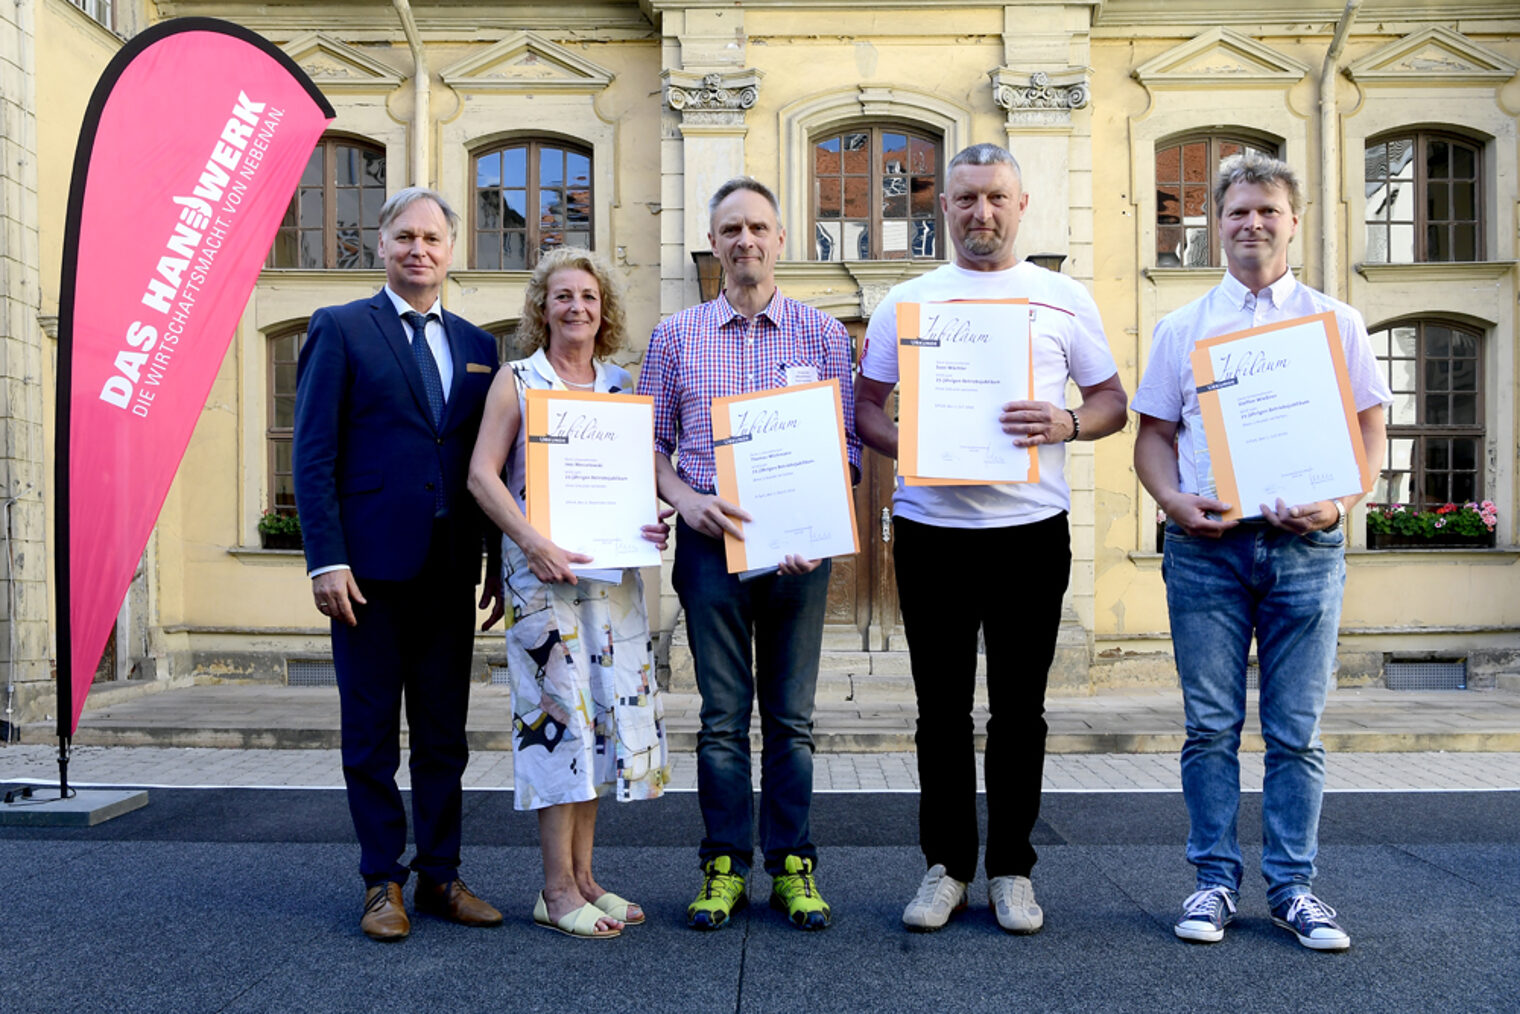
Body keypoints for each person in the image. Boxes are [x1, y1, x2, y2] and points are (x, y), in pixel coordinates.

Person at [855, 143, 1127, 934]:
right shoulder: (905, 301)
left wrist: (1070, 421)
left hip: (1030, 533)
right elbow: (866, 405)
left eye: (996, 199)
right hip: (932, 532)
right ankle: (944, 869)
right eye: (966, 200)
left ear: (1021, 204)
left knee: (1020, 711)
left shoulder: (1062, 297)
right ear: (943, 208)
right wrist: (906, 442)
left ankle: (1013, 869)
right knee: (939, 711)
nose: (981, 214)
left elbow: (1111, 399)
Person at [1132, 152, 1389, 951]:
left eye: (1267, 211)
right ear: (1217, 223)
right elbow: (1153, 440)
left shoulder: (1334, 322)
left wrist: (1343, 497)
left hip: (1306, 549)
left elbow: (1371, 430)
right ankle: (1212, 880)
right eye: (1238, 211)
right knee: (1209, 726)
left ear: (1293, 221)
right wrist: (1174, 502)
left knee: (1296, 732)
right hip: (1207, 550)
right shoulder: (1182, 329)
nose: (1252, 224)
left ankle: (1293, 887)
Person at [636, 177, 861, 932]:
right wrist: (685, 499)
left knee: (791, 719)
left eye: (759, 227)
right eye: (730, 229)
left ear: (781, 240)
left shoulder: (825, 337)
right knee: (724, 717)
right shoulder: (676, 336)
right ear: (714, 242)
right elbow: (650, 448)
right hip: (709, 551)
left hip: (799, 557)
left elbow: (848, 453)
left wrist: (815, 527)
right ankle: (723, 866)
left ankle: (793, 866)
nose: (746, 241)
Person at [294, 186, 505, 942]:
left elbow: (486, 466)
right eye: (405, 237)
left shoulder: (481, 348)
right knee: (372, 734)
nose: (420, 250)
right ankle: (382, 881)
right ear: (380, 245)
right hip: (367, 576)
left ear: (452, 252)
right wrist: (326, 559)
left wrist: (494, 564)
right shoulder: (342, 328)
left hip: (450, 571)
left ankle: (442, 875)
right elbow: (312, 454)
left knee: (445, 735)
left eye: (433, 239)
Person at [467, 248, 673, 939]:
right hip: (543, 582)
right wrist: (532, 540)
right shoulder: (517, 381)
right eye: (562, 296)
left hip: (611, 589)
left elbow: (638, 481)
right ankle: (553, 889)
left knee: (602, 726)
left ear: (603, 309)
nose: (576, 307)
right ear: (541, 309)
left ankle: (586, 878)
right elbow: (481, 477)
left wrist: (651, 521)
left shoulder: (619, 387)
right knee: (557, 730)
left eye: (588, 296)